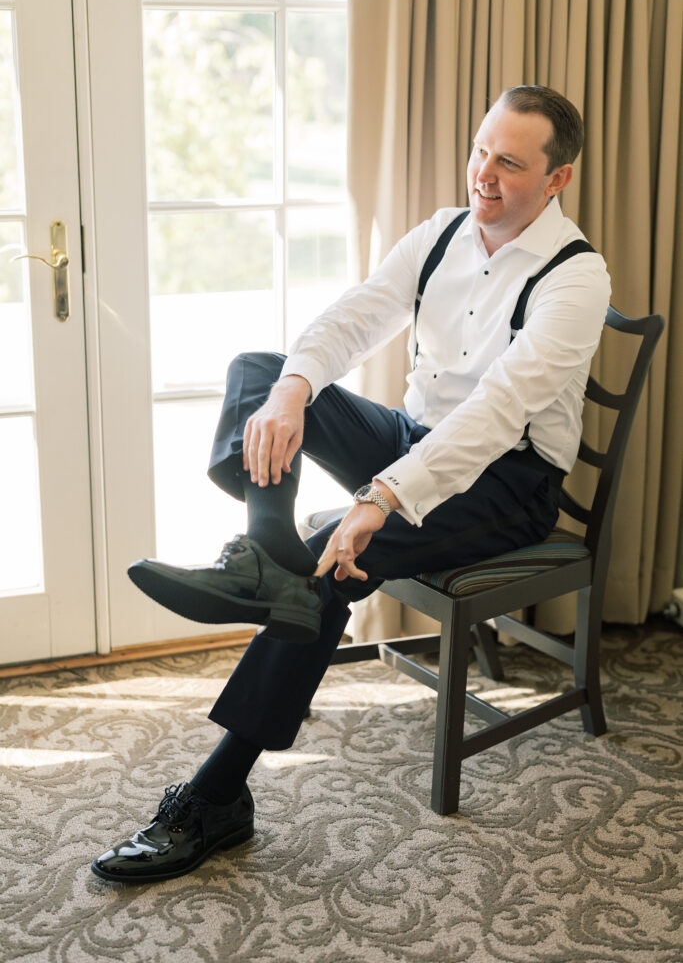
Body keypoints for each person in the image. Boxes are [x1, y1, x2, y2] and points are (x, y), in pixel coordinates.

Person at [91, 86, 610, 883]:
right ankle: (268, 552)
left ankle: (215, 797)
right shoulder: (441, 232)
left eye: (509, 162)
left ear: (556, 178)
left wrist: (379, 499)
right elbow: (355, 316)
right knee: (261, 372)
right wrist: (292, 392)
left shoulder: (576, 279)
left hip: (508, 481)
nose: (483, 172)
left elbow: (497, 414)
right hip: (414, 434)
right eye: (480, 150)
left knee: (334, 564)